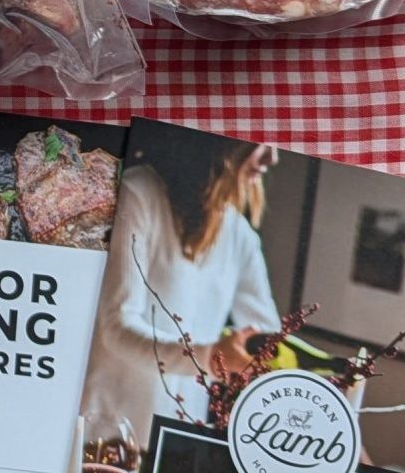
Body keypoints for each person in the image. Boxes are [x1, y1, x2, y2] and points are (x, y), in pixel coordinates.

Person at [83, 139, 282, 443]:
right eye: (262, 142)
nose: (272, 157)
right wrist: (211, 355)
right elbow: (117, 327)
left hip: (177, 439)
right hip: (103, 432)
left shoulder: (241, 237)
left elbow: (270, 340)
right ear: (222, 142)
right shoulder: (139, 193)